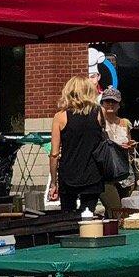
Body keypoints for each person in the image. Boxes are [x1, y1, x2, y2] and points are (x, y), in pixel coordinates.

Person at [49, 76, 110, 214]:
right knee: (88, 216)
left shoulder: (60, 116)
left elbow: (54, 154)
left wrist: (53, 182)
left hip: (68, 173)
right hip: (93, 173)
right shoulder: (100, 113)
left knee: (68, 217)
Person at [97, 85, 135, 216]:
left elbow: (130, 145)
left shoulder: (125, 123)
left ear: (119, 104)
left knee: (121, 211)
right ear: (102, 103)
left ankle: (111, 233)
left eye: (114, 101)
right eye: (107, 101)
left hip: (124, 172)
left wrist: (131, 147)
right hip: (106, 174)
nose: (110, 104)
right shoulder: (98, 123)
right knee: (115, 208)